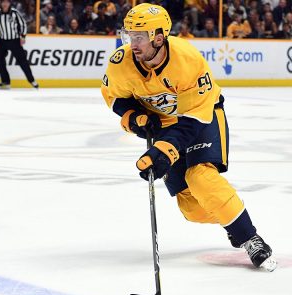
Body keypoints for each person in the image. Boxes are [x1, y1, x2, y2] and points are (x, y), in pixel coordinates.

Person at [101, 3, 277, 271]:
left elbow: (193, 119)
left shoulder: (187, 60)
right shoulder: (121, 62)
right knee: (192, 209)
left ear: (158, 38)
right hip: (165, 125)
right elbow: (115, 98)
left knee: (201, 177)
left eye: (138, 37)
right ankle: (230, 216)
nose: (131, 44)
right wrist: (135, 118)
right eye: (129, 36)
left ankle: (248, 237)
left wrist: (165, 150)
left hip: (201, 116)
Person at [0, 0, 38, 89]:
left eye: (7, 2)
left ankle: (32, 80)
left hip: (14, 40)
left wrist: (23, 36)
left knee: (22, 61)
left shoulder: (15, 13)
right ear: (1, 3)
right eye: (3, 2)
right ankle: (5, 81)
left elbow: (23, 24)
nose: (5, 4)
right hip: (2, 40)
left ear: (9, 3)